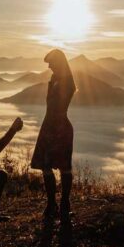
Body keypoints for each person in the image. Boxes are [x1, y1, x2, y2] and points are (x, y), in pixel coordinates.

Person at [30, 49, 76, 219]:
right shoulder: (55, 79)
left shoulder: (67, 82)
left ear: (59, 62)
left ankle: (64, 203)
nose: (49, 67)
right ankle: (52, 204)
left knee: (64, 167)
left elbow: (58, 105)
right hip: (49, 125)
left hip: (60, 126)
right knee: (45, 165)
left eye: (50, 63)